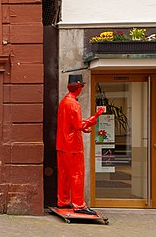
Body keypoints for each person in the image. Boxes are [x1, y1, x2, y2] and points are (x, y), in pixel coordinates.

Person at [56, 74, 105, 215]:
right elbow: (77, 125)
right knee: (77, 174)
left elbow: (69, 124)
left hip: (62, 144)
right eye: (81, 87)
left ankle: (63, 201)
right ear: (78, 88)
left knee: (63, 175)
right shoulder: (74, 104)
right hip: (73, 146)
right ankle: (79, 204)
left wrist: (83, 126)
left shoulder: (63, 102)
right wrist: (93, 118)